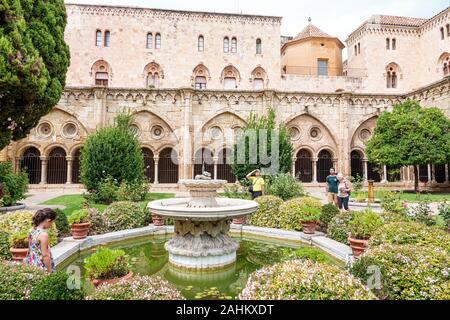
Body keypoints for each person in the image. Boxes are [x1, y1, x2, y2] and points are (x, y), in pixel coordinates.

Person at [26, 208, 57, 273]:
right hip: (41, 267)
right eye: (53, 221)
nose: (52, 224)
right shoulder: (43, 235)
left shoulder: (31, 230)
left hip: (32, 265)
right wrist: (49, 271)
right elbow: (45, 255)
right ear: (48, 220)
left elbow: (30, 249)